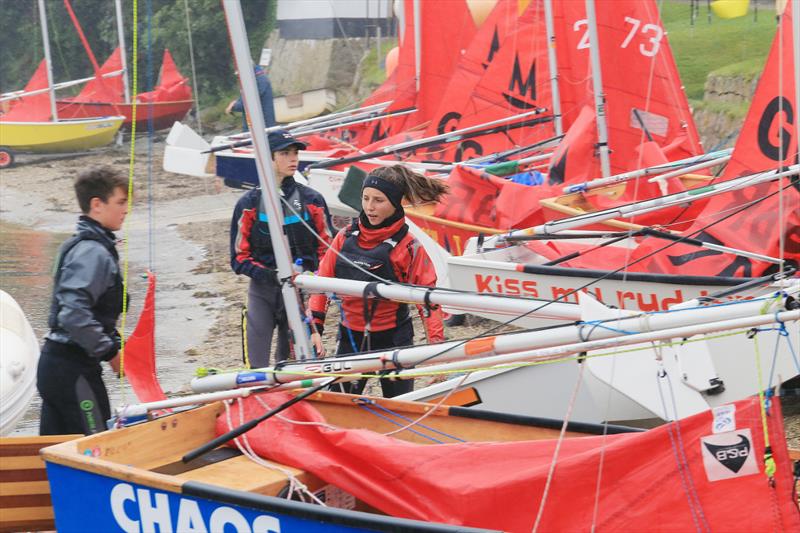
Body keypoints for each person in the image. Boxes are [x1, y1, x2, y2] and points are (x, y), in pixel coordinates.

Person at [309, 165, 447, 398]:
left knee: (400, 407)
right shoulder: (344, 238)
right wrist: (315, 327)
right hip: (350, 339)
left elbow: (429, 302)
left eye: (379, 200)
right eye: (365, 198)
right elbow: (321, 283)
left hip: (394, 341)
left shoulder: (409, 246)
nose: (370, 207)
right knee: (341, 406)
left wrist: (436, 350)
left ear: (395, 203)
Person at [37, 167, 129, 435]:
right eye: (121, 202)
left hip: (58, 366)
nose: (126, 209)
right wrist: (111, 353)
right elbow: (73, 314)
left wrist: (116, 343)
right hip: (71, 369)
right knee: (96, 447)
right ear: (97, 205)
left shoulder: (87, 245)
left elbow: (91, 312)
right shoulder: (92, 251)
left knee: (57, 452)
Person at [230, 129, 332, 368]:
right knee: (257, 367)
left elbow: (327, 250)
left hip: (300, 293)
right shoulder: (249, 204)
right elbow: (238, 258)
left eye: (295, 153)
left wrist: (312, 277)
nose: (293, 158)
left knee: (293, 366)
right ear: (269, 158)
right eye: (285, 153)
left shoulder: (312, 201)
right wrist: (272, 275)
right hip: (262, 293)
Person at [225, 63, 277, 130]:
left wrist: (233, 106)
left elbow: (248, 103)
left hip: (262, 128)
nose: (239, 77)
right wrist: (235, 103)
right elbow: (244, 99)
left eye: (239, 74)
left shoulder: (259, 81)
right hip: (257, 127)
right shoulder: (254, 80)